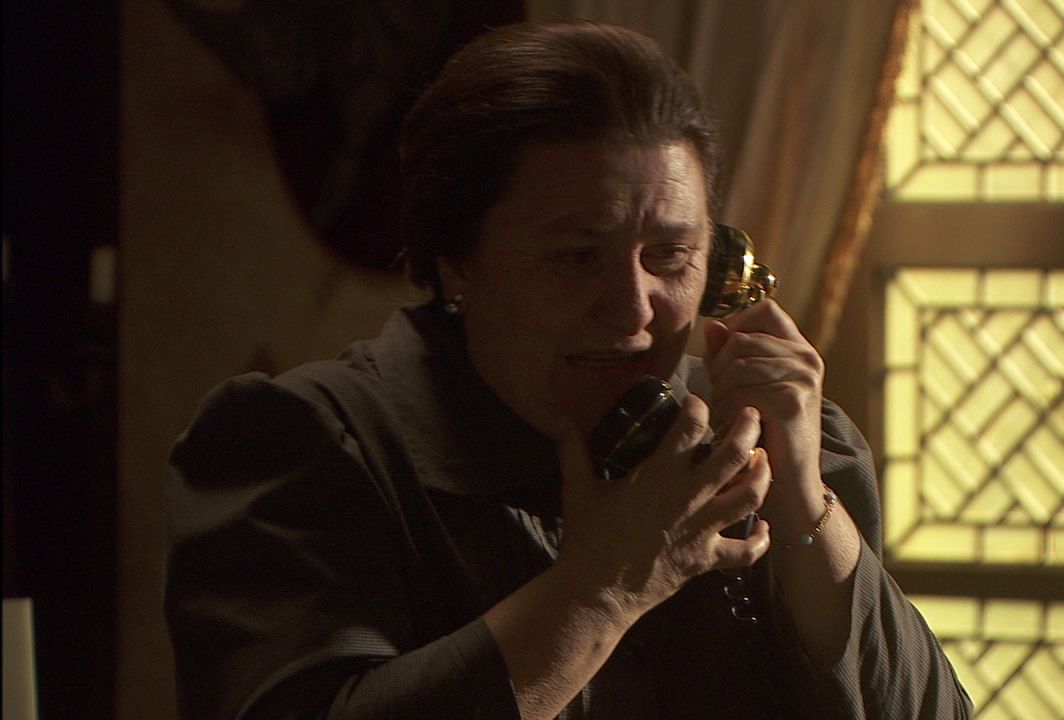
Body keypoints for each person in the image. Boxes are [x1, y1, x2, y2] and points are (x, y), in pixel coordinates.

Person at [165, 20, 972, 720]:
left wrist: (802, 499)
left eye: (671, 258)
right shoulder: (300, 445)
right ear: (456, 259)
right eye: (578, 258)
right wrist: (606, 588)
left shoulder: (772, 438)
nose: (633, 310)